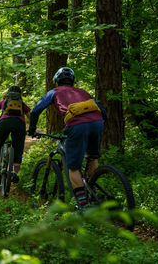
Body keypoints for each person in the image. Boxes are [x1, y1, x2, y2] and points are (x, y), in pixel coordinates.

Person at [27, 67, 106, 207]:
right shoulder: (83, 92)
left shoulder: (54, 92)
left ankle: (83, 204)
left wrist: (32, 129)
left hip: (77, 125)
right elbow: (103, 112)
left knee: (73, 167)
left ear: (56, 82)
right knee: (92, 157)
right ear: (72, 82)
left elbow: (35, 111)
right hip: (97, 122)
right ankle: (92, 191)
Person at [0, 86, 31, 183]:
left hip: (4, 123)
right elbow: (31, 116)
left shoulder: (3, 102)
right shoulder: (22, 104)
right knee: (18, 148)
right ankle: (15, 173)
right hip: (19, 125)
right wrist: (32, 127)